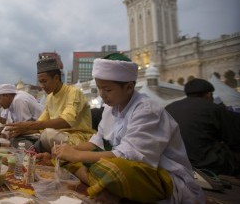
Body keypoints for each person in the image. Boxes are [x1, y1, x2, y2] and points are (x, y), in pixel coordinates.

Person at [49, 53, 204, 203]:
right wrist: (67, 151)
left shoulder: (147, 110)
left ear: (129, 87)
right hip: (126, 167)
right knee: (74, 159)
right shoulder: (111, 108)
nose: (102, 94)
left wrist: (77, 156)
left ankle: (107, 188)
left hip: (161, 177)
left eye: (107, 89)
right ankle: (107, 189)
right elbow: (96, 143)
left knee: (113, 168)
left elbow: (128, 157)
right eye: (99, 88)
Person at [5, 57, 95, 152]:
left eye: (44, 81)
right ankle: (33, 149)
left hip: (77, 138)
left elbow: (66, 121)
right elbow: (40, 126)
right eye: (40, 82)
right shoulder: (50, 97)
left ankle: (32, 151)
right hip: (54, 137)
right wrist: (20, 130)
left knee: (48, 135)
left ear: (56, 78)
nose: (42, 86)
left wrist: (28, 126)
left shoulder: (74, 92)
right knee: (17, 137)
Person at [165, 78, 240, 176]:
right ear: (209, 94)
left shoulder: (170, 107)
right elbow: (234, 138)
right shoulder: (213, 108)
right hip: (206, 164)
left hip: (173, 162)